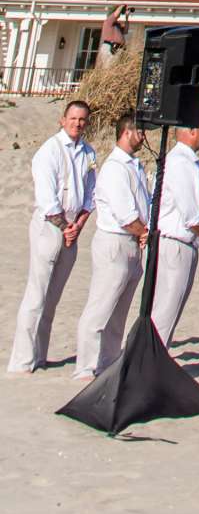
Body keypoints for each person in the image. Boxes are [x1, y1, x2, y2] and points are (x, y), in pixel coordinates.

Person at [8, 99, 96, 374]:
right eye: (73, 118)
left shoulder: (88, 152)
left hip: (73, 226)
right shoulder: (49, 151)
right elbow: (47, 198)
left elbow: (91, 194)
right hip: (50, 226)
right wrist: (64, 226)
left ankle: (40, 355)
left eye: (82, 119)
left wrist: (78, 225)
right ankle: (22, 360)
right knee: (37, 293)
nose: (77, 123)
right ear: (63, 119)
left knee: (53, 297)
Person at [74, 112, 150, 380]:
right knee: (101, 306)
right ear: (127, 132)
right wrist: (143, 231)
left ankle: (108, 362)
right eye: (140, 131)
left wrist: (144, 232)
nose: (143, 136)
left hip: (132, 244)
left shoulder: (135, 165)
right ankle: (85, 366)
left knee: (119, 311)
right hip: (114, 241)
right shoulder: (115, 166)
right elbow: (125, 212)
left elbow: (144, 203)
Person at [152, 120, 199, 348]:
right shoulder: (180, 161)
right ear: (190, 131)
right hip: (175, 243)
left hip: (186, 243)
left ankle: (157, 357)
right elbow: (190, 213)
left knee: (171, 309)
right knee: (165, 310)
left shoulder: (190, 161)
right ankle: (151, 361)